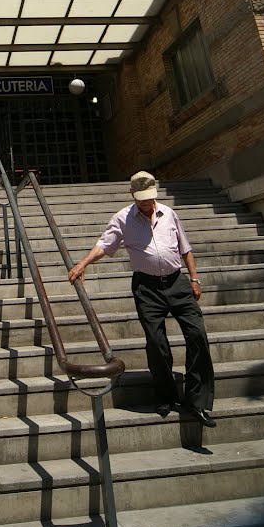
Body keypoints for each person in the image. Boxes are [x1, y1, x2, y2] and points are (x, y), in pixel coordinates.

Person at [69, 170, 216, 428]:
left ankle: (198, 401)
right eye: (142, 199)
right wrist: (83, 264)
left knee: (197, 335)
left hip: (177, 282)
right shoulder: (123, 219)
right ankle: (166, 396)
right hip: (147, 289)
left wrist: (194, 278)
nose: (148, 204)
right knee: (156, 343)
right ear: (133, 196)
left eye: (150, 198)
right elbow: (105, 244)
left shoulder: (169, 214)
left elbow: (185, 247)